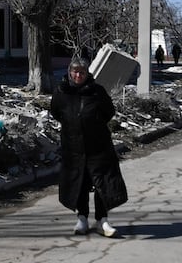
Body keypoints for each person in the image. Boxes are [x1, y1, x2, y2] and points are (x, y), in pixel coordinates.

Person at [50, 57, 128, 237]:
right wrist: (74, 126)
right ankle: (82, 218)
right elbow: (56, 112)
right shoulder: (61, 91)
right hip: (73, 147)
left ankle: (102, 220)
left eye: (82, 72)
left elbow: (109, 112)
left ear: (87, 74)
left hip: (98, 146)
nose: (78, 75)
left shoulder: (97, 91)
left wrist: (92, 125)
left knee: (103, 183)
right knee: (80, 183)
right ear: (70, 73)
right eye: (75, 72)